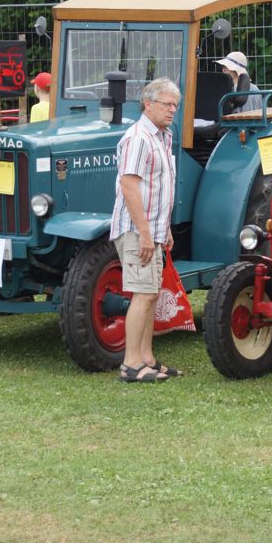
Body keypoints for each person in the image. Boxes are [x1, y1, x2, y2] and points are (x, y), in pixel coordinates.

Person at [110, 77, 183, 382]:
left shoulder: (162, 137)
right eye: (167, 104)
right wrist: (143, 232)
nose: (172, 111)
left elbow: (160, 188)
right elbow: (129, 185)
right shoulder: (138, 138)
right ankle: (130, 364)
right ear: (148, 104)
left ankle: (147, 359)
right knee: (142, 294)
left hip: (152, 231)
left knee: (151, 293)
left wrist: (162, 230)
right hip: (136, 231)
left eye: (175, 106)